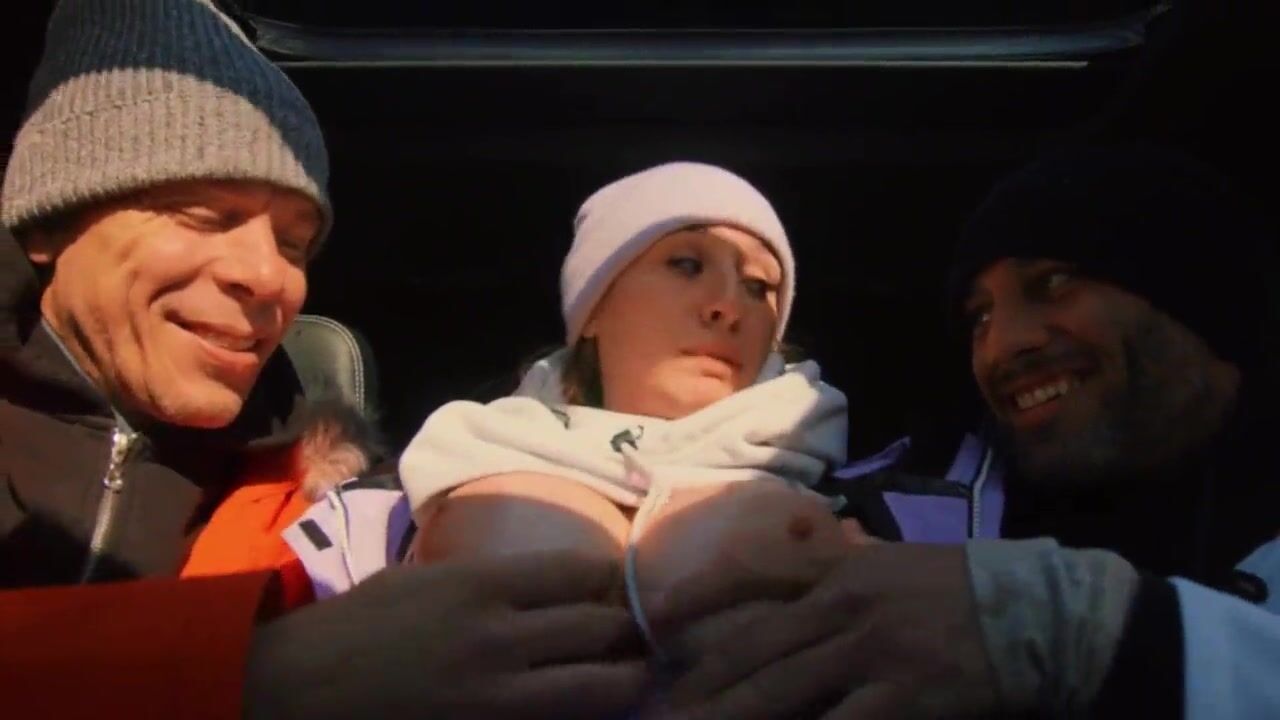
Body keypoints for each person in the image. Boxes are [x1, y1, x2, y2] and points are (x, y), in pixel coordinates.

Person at [0, 2, 646, 718]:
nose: (269, 276)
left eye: (294, 244)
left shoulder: (331, 514)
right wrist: (251, 671)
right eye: (204, 216)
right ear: (49, 226)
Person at [650, 144, 1280, 718]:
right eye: (980, 317)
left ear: (1189, 294)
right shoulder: (879, 518)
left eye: (1053, 284)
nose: (1003, 345)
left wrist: (1109, 637)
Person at [285, 162, 854, 665]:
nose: (728, 306)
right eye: (686, 264)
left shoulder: (871, 504)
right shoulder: (409, 489)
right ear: (593, 309)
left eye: (759, 286)